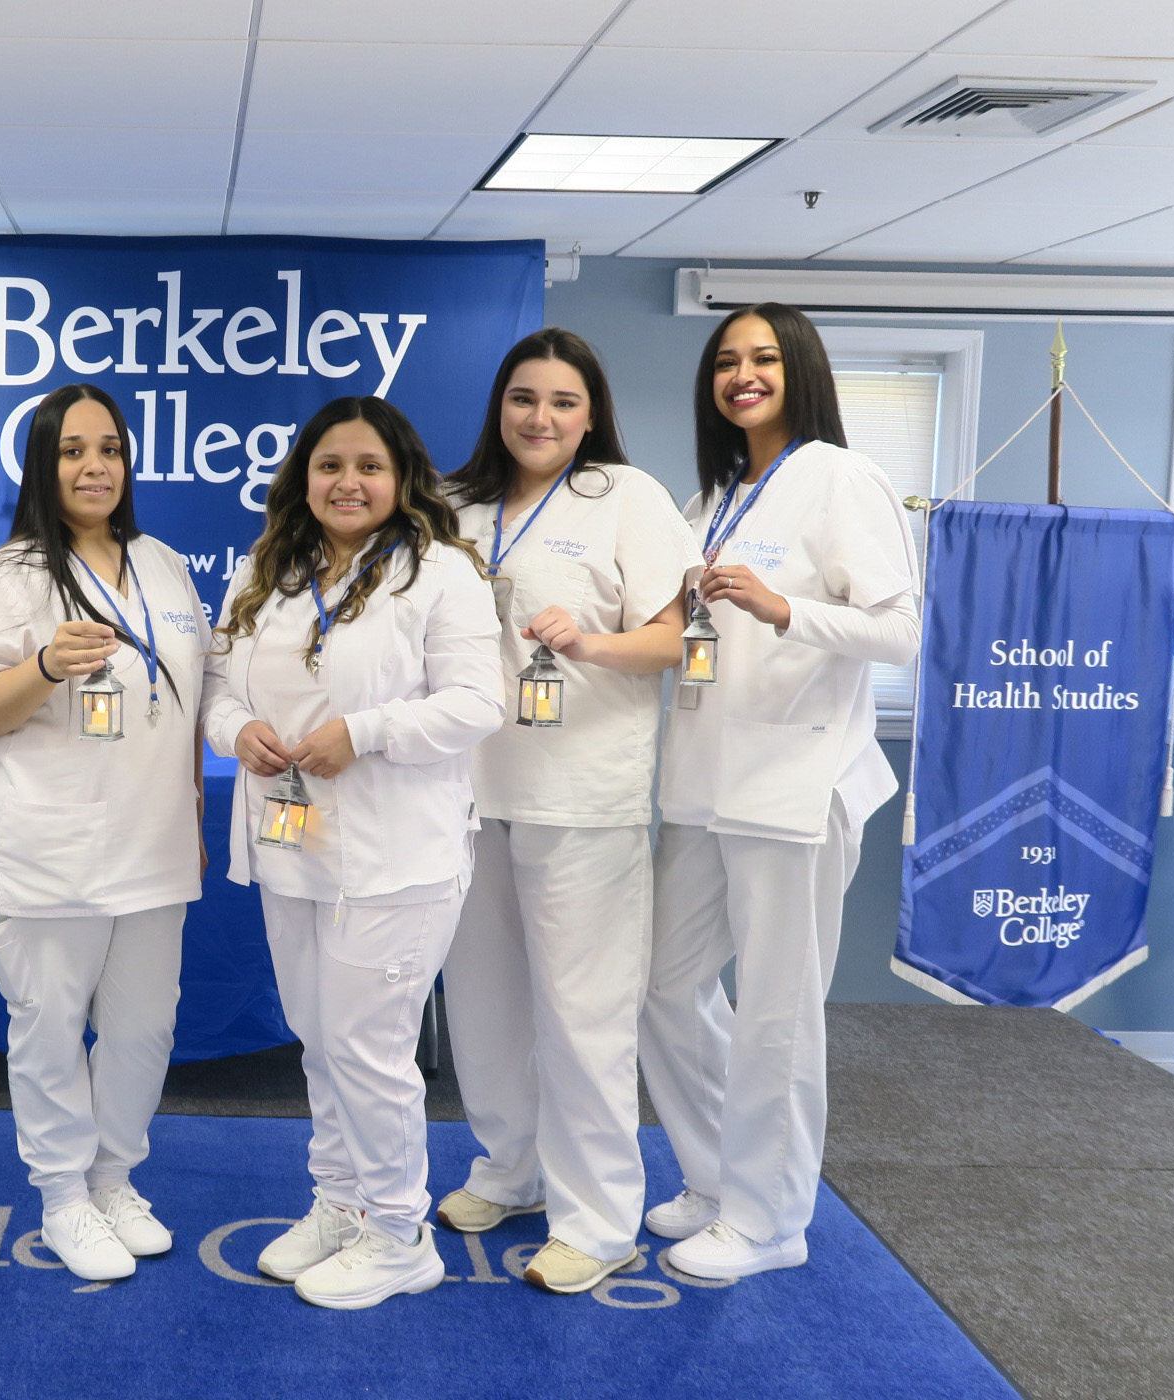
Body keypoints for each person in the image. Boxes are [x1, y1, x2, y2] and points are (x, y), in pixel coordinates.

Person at [204, 398, 505, 1309]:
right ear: (303, 477)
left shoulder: (442, 573)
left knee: (371, 1049)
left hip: (396, 855)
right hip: (291, 846)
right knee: (319, 1040)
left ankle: (400, 1232)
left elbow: (477, 705)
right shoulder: (270, 567)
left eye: (368, 466)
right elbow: (218, 687)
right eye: (329, 464)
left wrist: (364, 732)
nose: (348, 482)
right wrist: (241, 731)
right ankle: (340, 1203)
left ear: (401, 476)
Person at [641, 302, 921, 1282]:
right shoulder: (713, 494)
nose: (742, 374)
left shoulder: (842, 477)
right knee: (663, 988)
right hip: (701, 781)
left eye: (762, 357)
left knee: (777, 1011)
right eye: (726, 361)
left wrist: (783, 607)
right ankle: (720, 1175)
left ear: (799, 369)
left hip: (795, 783)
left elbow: (899, 630)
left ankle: (769, 1217)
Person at [431, 329, 699, 1294]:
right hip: (464, 791)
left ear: (592, 416)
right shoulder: (453, 507)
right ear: (498, 407)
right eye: (523, 399)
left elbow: (677, 638)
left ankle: (598, 1217)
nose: (540, 419)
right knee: (486, 1003)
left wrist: (588, 645)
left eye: (562, 402)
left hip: (584, 794)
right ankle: (511, 1169)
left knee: (584, 1015)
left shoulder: (629, 498)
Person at [0, 383, 204, 1284]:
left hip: (155, 849)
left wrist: (195, 821)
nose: (95, 467)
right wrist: (48, 663)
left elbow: (185, 706)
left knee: (142, 1031)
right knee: (50, 1030)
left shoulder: (165, 565)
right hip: (46, 854)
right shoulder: (10, 574)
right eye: (72, 451)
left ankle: (115, 1178)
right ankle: (60, 1197)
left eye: (110, 450)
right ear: (42, 465)